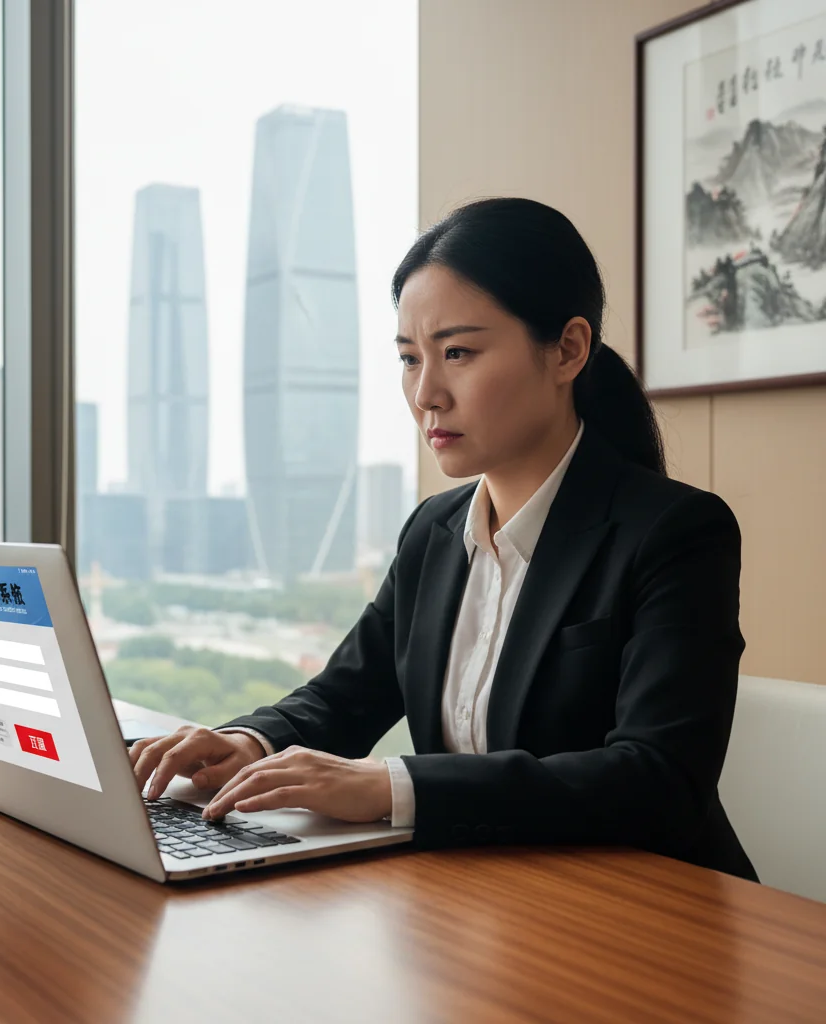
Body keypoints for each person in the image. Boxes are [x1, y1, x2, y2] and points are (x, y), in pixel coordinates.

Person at [129, 197, 758, 881]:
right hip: (482, 899)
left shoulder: (674, 532)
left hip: (643, 907)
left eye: (458, 352)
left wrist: (393, 787)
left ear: (568, 350)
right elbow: (346, 696)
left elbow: (657, 778)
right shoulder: (433, 530)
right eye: (409, 358)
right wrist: (247, 742)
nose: (426, 393)